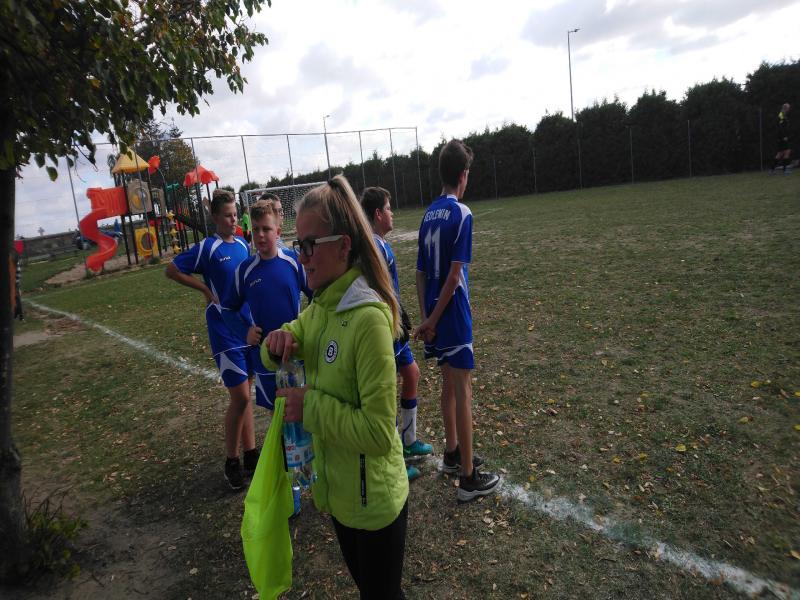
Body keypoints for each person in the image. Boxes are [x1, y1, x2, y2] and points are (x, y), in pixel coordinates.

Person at [262, 175, 408, 600]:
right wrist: (276, 343)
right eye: (298, 244)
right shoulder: (321, 307)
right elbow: (286, 339)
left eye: (310, 245)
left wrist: (309, 407)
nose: (301, 257)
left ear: (343, 246)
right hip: (341, 499)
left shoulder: (368, 320)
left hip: (375, 504)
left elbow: (379, 433)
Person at [415, 139, 500, 503]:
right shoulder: (462, 214)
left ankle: (452, 453)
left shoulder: (427, 215)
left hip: (435, 317)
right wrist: (435, 318)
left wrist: (426, 318)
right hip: (453, 314)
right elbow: (454, 277)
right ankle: (468, 478)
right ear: (463, 175)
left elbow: (420, 273)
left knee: (448, 383)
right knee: (463, 390)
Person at [165, 188, 258, 491]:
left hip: (246, 329)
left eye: (235, 214)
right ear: (216, 217)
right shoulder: (207, 247)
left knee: (247, 395)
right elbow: (172, 270)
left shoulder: (243, 245)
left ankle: (251, 455)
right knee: (240, 398)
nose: (234, 220)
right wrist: (205, 290)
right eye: (228, 216)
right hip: (223, 331)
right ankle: (231, 461)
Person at [360, 186, 433, 481]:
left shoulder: (380, 244)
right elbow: (376, 291)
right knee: (387, 393)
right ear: (378, 214)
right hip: (386, 330)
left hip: (395, 327)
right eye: (389, 208)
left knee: (412, 375)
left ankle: (408, 439)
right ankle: (393, 458)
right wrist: (391, 319)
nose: (392, 214)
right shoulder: (374, 248)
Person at [220, 199, 311, 411]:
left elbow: (317, 296)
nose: (260, 234)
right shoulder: (245, 271)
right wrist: (245, 332)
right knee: (276, 412)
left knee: (302, 410)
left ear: (277, 232)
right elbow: (227, 309)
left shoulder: (294, 262)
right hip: (264, 357)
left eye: (266, 229)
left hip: (296, 353)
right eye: (256, 229)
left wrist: (307, 326)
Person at [771, 103, 792, 174]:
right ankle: (785, 170)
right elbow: (779, 127)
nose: (789, 109)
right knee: (787, 151)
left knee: (780, 153)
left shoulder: (784, 115)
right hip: (782, 137)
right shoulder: (781, 115)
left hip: (781, 137)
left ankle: (772, 170)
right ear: (785, 108)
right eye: (788, 108)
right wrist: (783, 136)